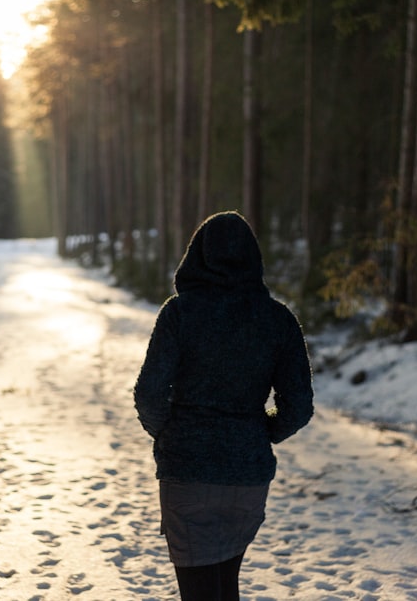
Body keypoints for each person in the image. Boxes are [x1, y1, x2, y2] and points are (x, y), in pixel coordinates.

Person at [134, 211, 314, 601]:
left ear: (195, 257)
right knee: (222, 586)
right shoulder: (278, 320)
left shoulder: (179, 314)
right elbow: (298, 406)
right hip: (247, 478)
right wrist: (259, 432)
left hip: (188, 472)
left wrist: (170, 433)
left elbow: (148, 393)